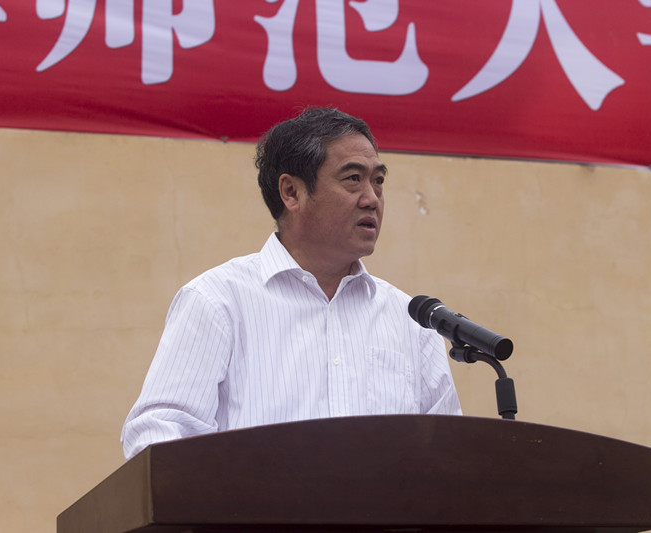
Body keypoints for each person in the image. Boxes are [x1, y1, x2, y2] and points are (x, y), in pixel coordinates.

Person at [120, 107, 462, 460]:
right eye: (353, 179)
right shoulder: (217, 302)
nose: (372, 199)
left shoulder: (411, 322)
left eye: (378, 181)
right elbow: (159, 433)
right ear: (291, 192)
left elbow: (449, 455)